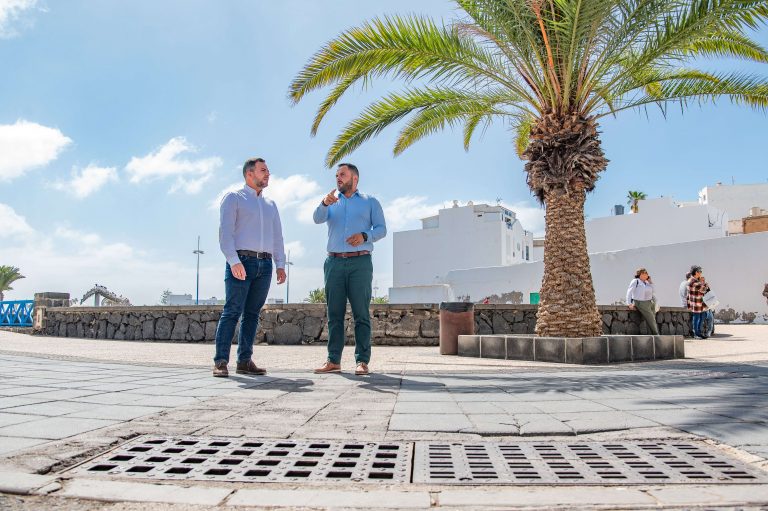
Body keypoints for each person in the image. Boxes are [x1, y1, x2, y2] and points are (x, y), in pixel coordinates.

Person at [213, 158, 287, 377]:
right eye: (263, 170)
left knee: (253, 314)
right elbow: (225, 233)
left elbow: (277, 237)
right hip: (241, 261)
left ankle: (244, 360)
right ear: (249, 174)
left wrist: (280, 264)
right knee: (232, 311)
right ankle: (220, 362)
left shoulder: (270, 205)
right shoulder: (234, 198)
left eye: (268, 171)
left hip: (265, 264)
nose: (268, 174)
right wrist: (233, 260)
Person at [312, 163, 386, 375]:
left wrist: (364, 236)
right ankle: (333, 360)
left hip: (360, 263)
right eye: (336, 175)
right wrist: (324, 203)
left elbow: (382, 229)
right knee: (334, 313)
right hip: (333, 263)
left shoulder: (370, 202)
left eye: (342, 175)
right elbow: (317, 218)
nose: (338, 178)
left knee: (361, 313)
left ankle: (362, 361)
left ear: (355, 179)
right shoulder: (331, 201)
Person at [626, 267, 659, 335]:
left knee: (652, 318)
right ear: (641, 274)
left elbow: (654, 291)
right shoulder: (636, 281)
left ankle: (651, 335)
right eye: (645, 273)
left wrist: (650, 282)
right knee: (651, 318)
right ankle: (656, 334)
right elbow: (629, 291)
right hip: (641, 302)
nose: (647, 274)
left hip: (650, 302)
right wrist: (629, 303)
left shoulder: (647, 282)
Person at [687, 265, 707, 339]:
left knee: (700, 317)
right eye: (700, 271)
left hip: (698, 303)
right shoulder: (693, 281)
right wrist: (705, 285)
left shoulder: (694, 280)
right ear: (696, 272)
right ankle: (696, 333)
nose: (701, 273)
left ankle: (698, 333)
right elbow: (703, 289)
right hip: (696, 303)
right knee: (696, 318)